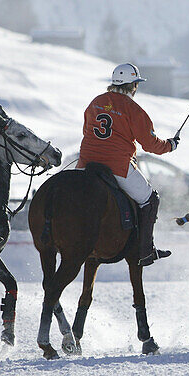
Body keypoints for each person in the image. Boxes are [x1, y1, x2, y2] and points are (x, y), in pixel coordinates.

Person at [77, 62, 178, 266]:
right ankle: (145, 251)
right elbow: (150, 144)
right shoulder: (133, 109)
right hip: (117, 166)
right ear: (133, 85)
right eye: (136, 84)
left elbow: (86, 130)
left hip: (85, 164)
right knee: (150, 199)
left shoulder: (96, 102)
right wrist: (170, 145)